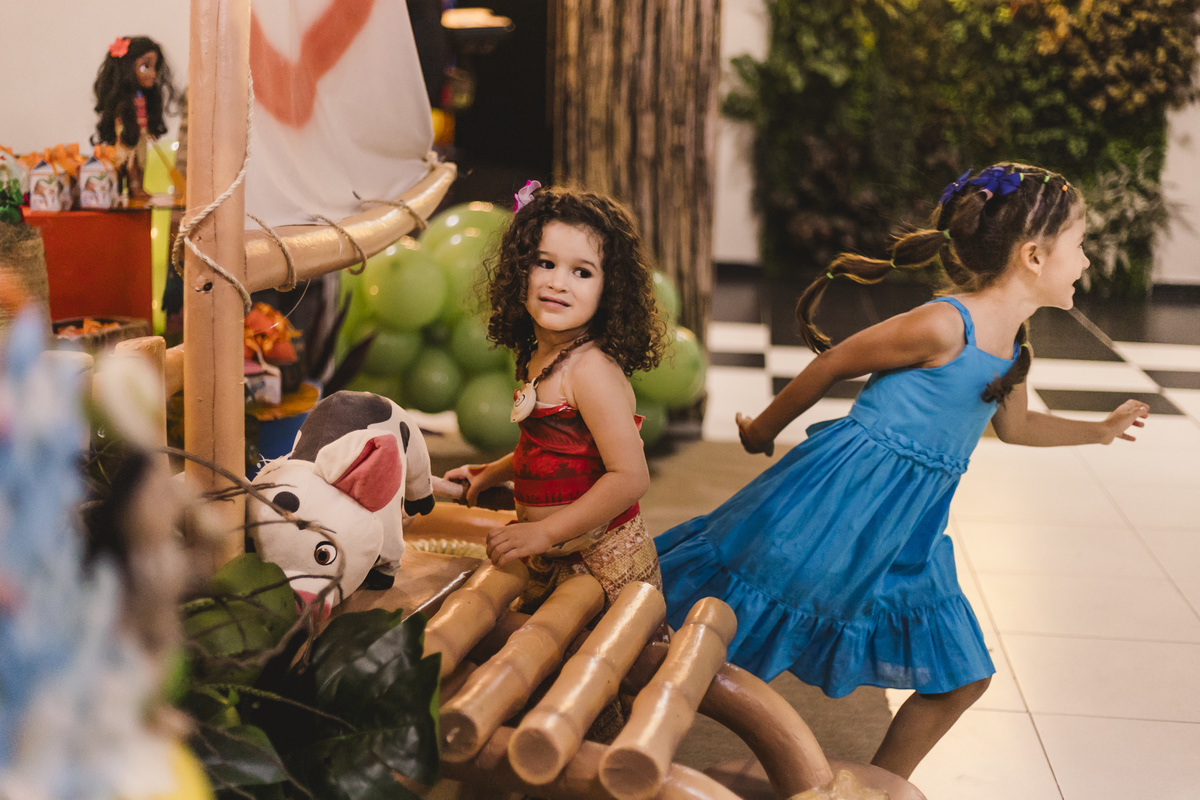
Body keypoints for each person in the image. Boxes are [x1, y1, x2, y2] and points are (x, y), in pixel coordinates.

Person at [655, 163, 1150, 779]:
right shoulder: (944, 323)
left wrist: (1098, 430)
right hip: (837, 502)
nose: (1086, 261)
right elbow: (835, 361)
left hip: (909, 528)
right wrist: (761, 429)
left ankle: (879, 787)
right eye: (1080, 245)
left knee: (962, 677)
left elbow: (1016, 426)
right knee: (729, 624)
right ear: (1033, 256)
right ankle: (625, 727)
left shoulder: (1014, 345)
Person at [445, 182, 668, 613]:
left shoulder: (591, 370)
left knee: (597, 655)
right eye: (544, 263)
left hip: (603, 565)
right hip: (552, 554)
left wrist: (543, 532)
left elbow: (630, 477)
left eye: (581, 272)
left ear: (609, 289)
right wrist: (490, 473)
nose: (557, 283)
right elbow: (553, 447)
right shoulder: (543, 354)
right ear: (519, 271)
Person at [91, 36, 180, 199]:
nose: (153, 74)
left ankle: (139, 186)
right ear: (127, 67)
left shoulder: (143, 97)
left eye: (155, 67)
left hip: (141, 135)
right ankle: (133, 187)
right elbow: (122, 122)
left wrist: (148, 129)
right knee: (130, 161)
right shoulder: (124, 102)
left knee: (141, 161)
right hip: (127, 136)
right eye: (146, 66)